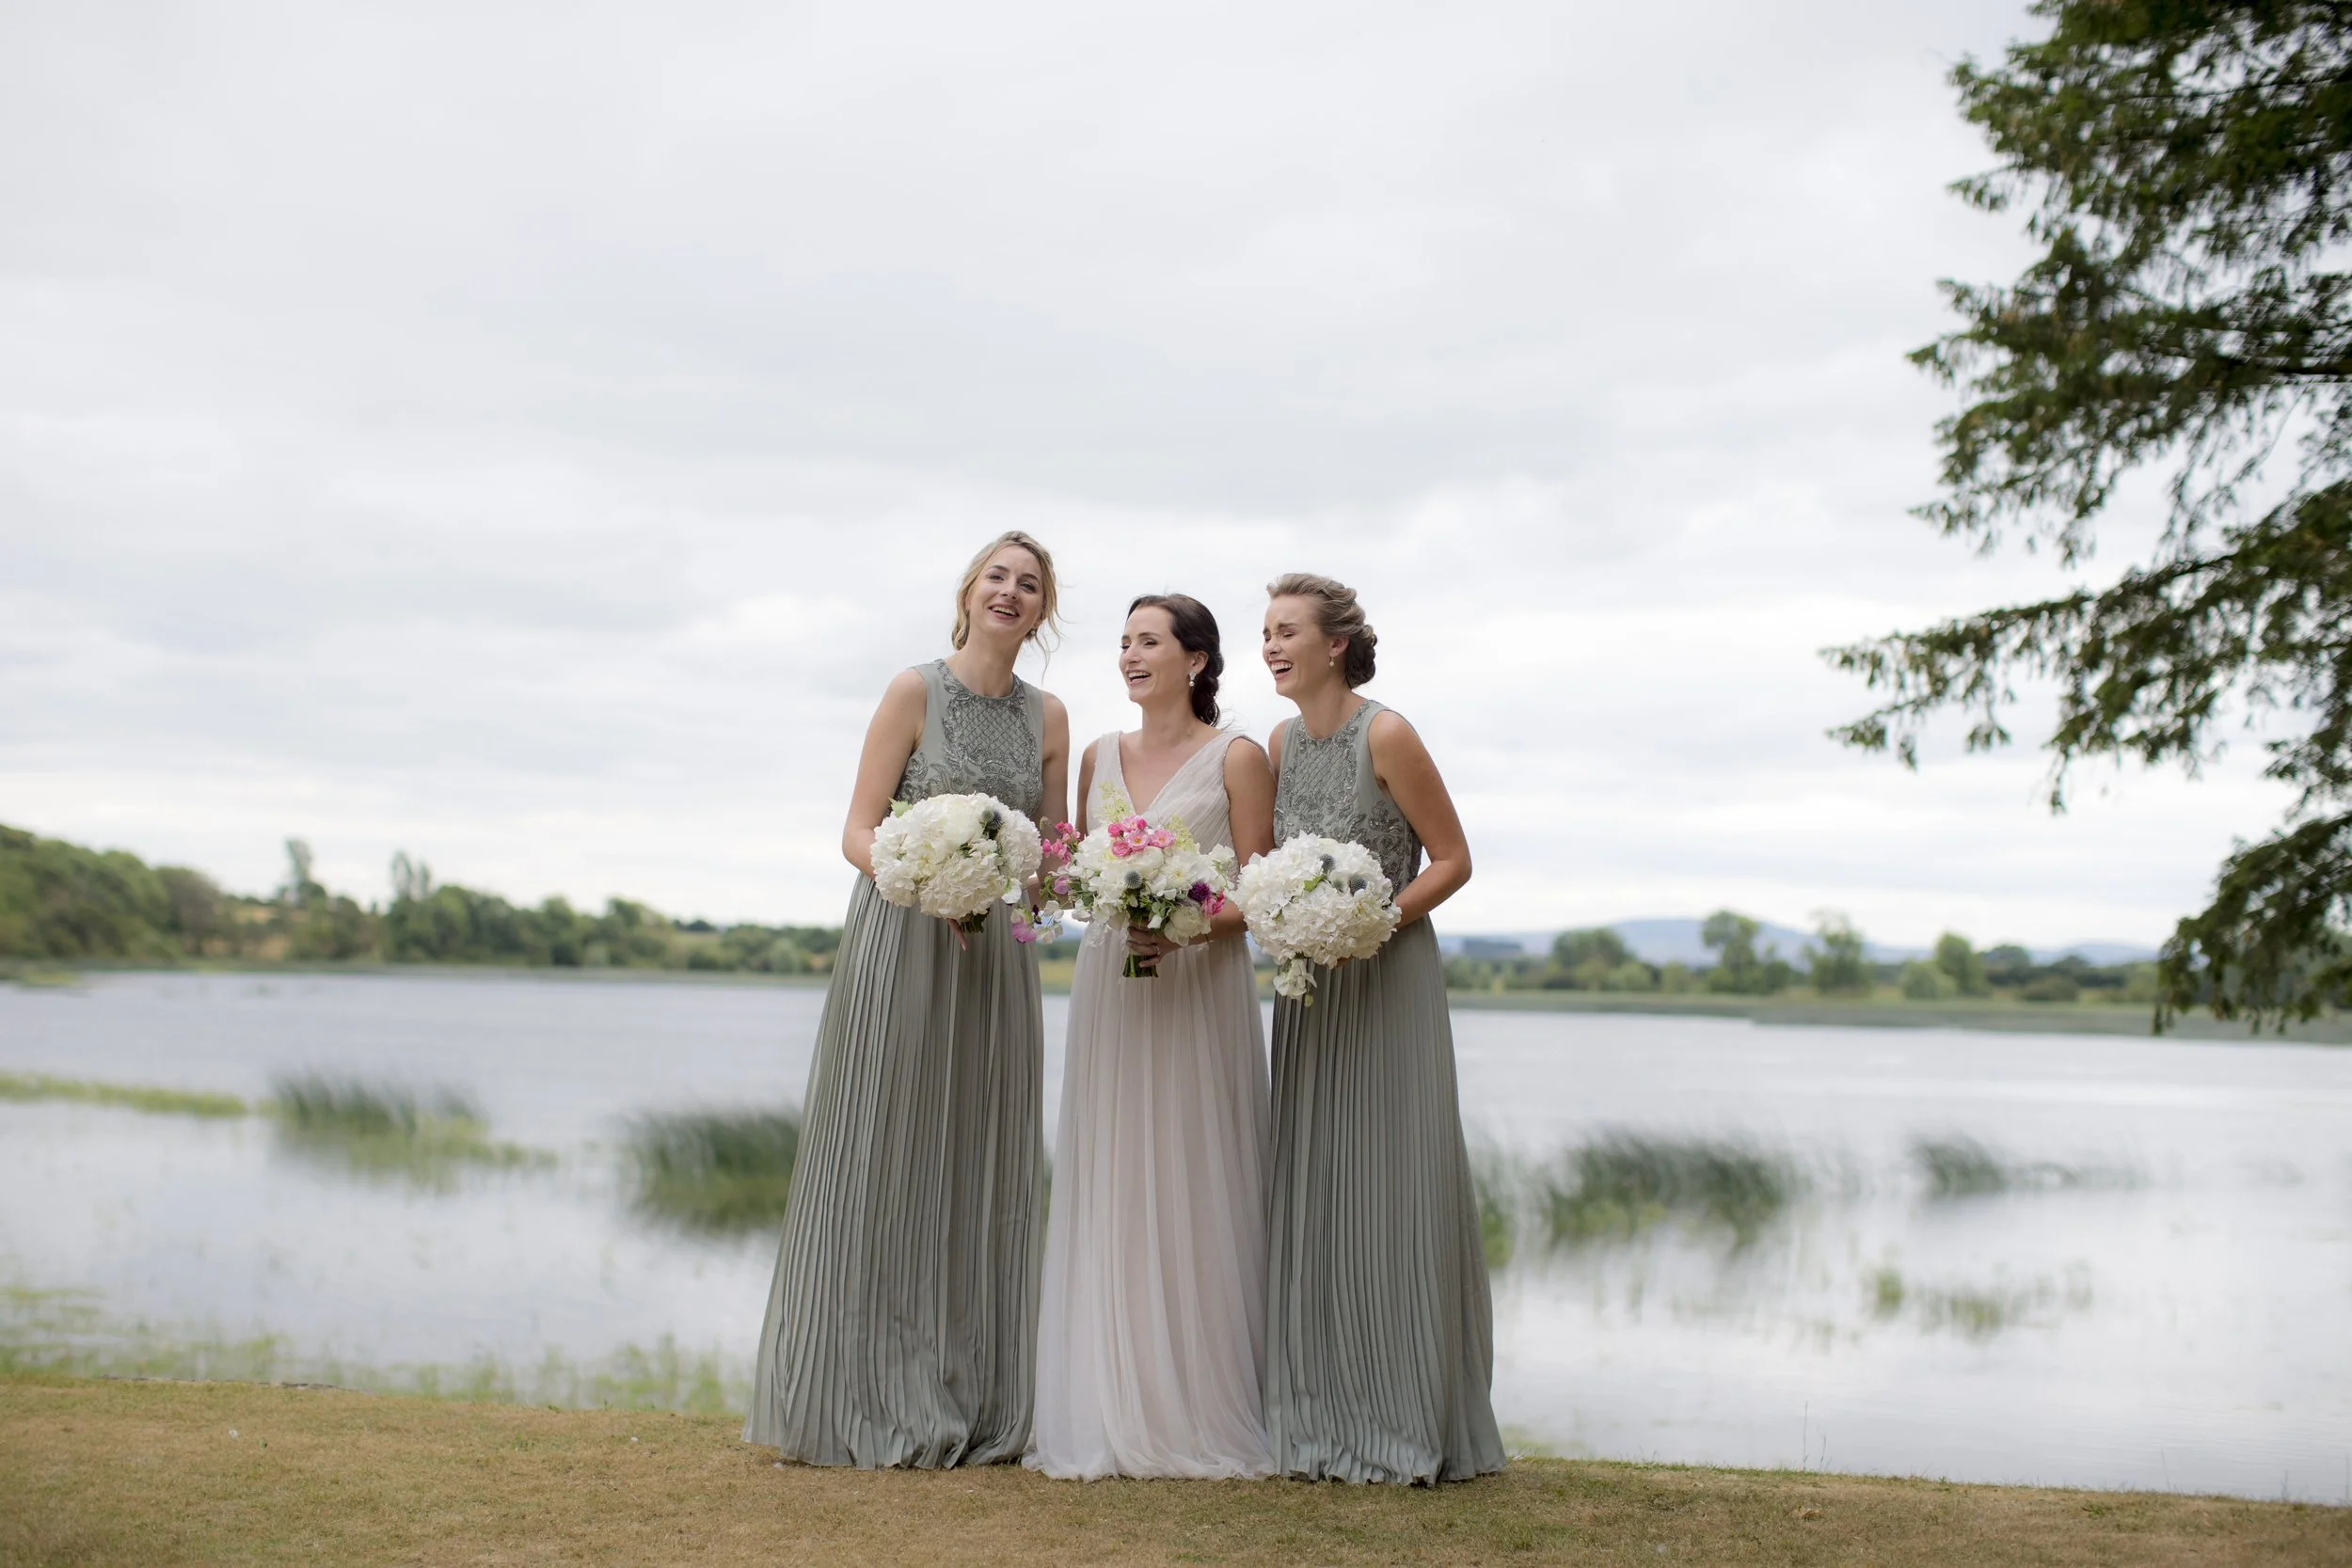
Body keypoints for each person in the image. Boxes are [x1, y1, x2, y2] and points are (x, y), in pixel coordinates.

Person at [743, 531, 1070, 1467]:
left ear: (1043, 610)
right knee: (883, 1148)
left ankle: (971, 1391)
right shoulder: (911, 690)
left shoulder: (1049, 717)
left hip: (995, 960)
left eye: (1029, 583)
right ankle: (859, 1391)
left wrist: (1096, 881)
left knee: (979, 1158)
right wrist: (922, 878)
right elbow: (855, 827)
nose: (1010, 591)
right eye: (996, 576)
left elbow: (1044, 859)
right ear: (967, 591)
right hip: (902, 934)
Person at [1257, 571, 1504, 1484]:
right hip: (1308, 991)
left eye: (1288, 631)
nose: (1273, 646)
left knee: (1390, 1183)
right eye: (1266, 632)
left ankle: (1402, 1410)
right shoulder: (1280, 741)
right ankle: (1315, 1408)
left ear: (1335, 643)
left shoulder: (1387, 732)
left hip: (1388, 976)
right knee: (1316, 1185)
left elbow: (1454, 857)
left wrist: (1375, 922)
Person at [1026, 594, 1277, 1480]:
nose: (1130, 656)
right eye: (1124, 642)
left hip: (1197, 988)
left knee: (1192, 1171)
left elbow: (1261, 891)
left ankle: (1197, 1400)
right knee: (1112, 1170)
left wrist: (1186, 920)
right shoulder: (1097, 753)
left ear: (1197, 660)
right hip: (1113, 987)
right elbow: (1071, 870)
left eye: (1149, 642)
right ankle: (1105, 1393)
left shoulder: (1239, 757)